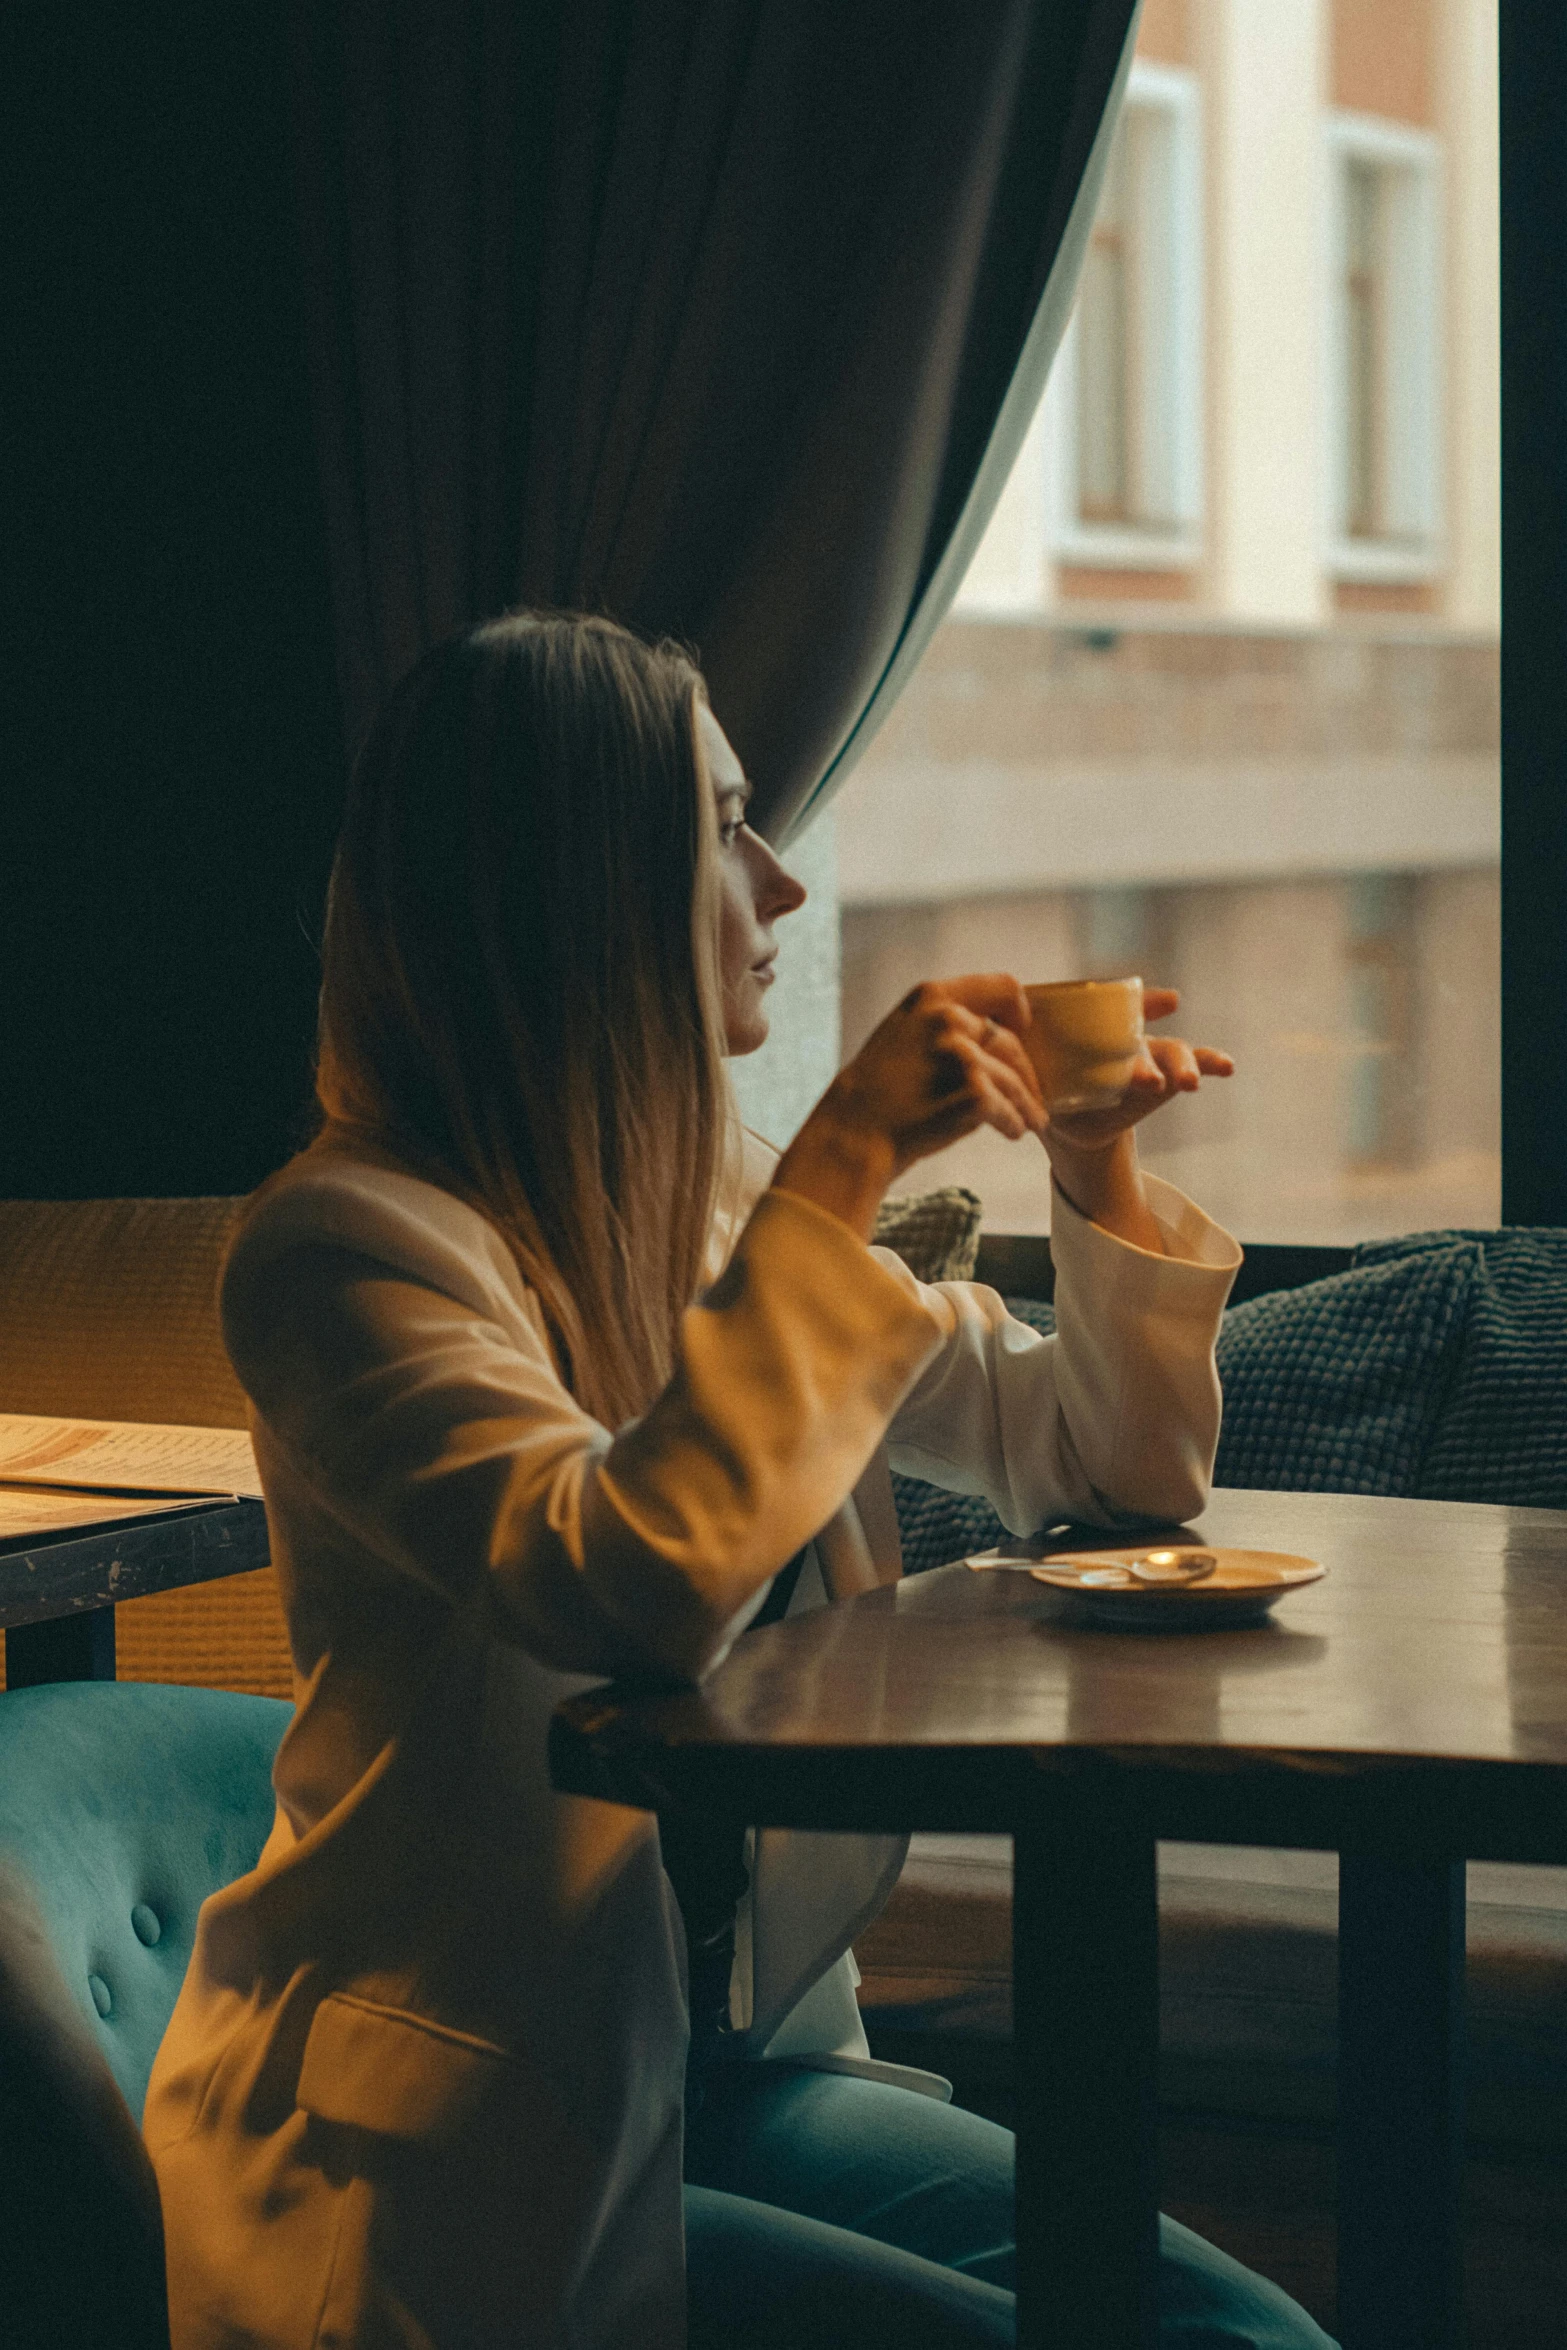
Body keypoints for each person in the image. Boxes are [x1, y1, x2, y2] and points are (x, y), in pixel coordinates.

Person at [144, 611, 1335, 2350]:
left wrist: (1094, 1164)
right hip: (472, 2121)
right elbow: (620, 1582)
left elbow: (1106, 1468)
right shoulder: (342, 1249)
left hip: (732, 2067)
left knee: (1245, 2340)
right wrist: (845, 1156)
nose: (779, 885)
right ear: (580, 880)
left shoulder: (699, 1195)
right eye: (721, 826)